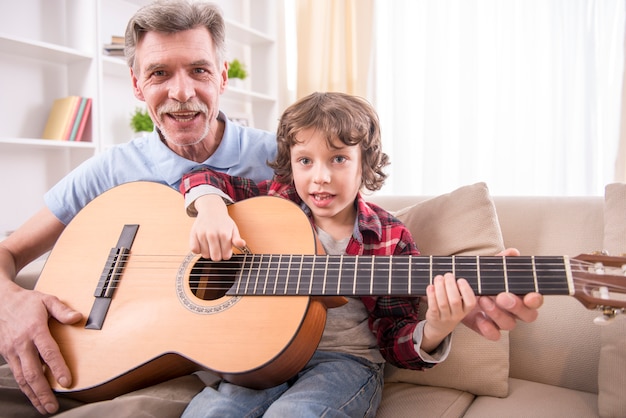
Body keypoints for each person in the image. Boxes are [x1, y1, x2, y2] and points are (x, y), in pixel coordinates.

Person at [0, 1, 542, 416]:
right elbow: (10, 251)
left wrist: (442, 320)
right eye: (160, 73)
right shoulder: (109, 171)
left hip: (285, 354)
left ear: (224, 75)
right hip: (149, 344)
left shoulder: (280, 163)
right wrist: (13, 303)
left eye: (199, 70)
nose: (183, 92)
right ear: (137, 84)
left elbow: (376, 277)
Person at [178, 91, 484, 416]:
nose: (320, 177)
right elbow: (201, 177)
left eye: (338, 159)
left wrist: (436, 329)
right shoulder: (276, 202)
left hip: (345, 360)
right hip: (264, 354)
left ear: (364, 163)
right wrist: (211, 209)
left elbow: (395, 337)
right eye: (305, 161)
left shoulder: (390, 237)